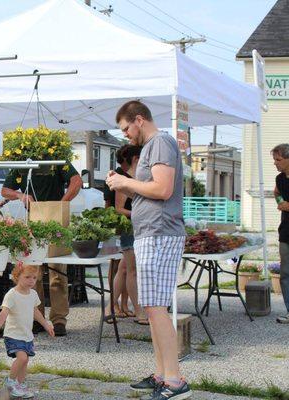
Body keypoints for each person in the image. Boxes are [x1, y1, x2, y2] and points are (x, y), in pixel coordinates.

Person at [106, 100, 191, 399]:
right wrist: (125, 186)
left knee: (156, 309)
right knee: (154, 309)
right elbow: (151, 190)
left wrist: (126, 181)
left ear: (139, 120)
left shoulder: (160, 143)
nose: (126, 135)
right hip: (151, 234)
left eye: (126, 128)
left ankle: (175, 382)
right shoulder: (154, 146)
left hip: (159, 233)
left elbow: (162, 189)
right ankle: (162, 375)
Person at [1, 161, 82, 336]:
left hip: (57, 222)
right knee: (33, 275)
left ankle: (59, 320)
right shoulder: (22, 164)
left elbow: (77, 181)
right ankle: (37, 320)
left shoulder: (56, 160)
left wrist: (61, 204)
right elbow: (4, 190)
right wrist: (20, 195)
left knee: (57, 275)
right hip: (33, 222)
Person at [0, 264, 55, 398]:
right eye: (27, 277)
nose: (31, 280)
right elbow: (5, 311)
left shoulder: (33, 294)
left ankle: (19, 385)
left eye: (34, 278)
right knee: (22, 357)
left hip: (27, 335)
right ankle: (10, 382)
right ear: (17, 276)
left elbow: (35, 311)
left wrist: (46, 324)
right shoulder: (12, 294)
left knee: (25, 361)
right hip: (13, 334)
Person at [113, 144, 147, 325]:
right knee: (131, 270)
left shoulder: (143, 178)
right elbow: (118, 209)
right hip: (130, 229)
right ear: (135, 159)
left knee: (125, 269)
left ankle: (112, 305)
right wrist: (142, 213)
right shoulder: (124, 179)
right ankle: (139, 311)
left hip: (143, 229)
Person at [272, 143, 289, 324]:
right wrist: (280, 200)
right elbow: (276, 193)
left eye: (278, 160)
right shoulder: (279, 179)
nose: (275, 163)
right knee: (285, 274)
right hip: (285, 232)